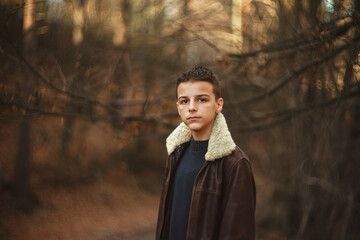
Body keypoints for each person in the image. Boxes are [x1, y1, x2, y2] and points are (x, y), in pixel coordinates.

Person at [156, 66, 256, 240]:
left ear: (218, 105)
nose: (192, 107)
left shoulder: (235, 164)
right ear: (178, 106)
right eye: (184, 101)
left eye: (201, 100)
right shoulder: (175, 155)